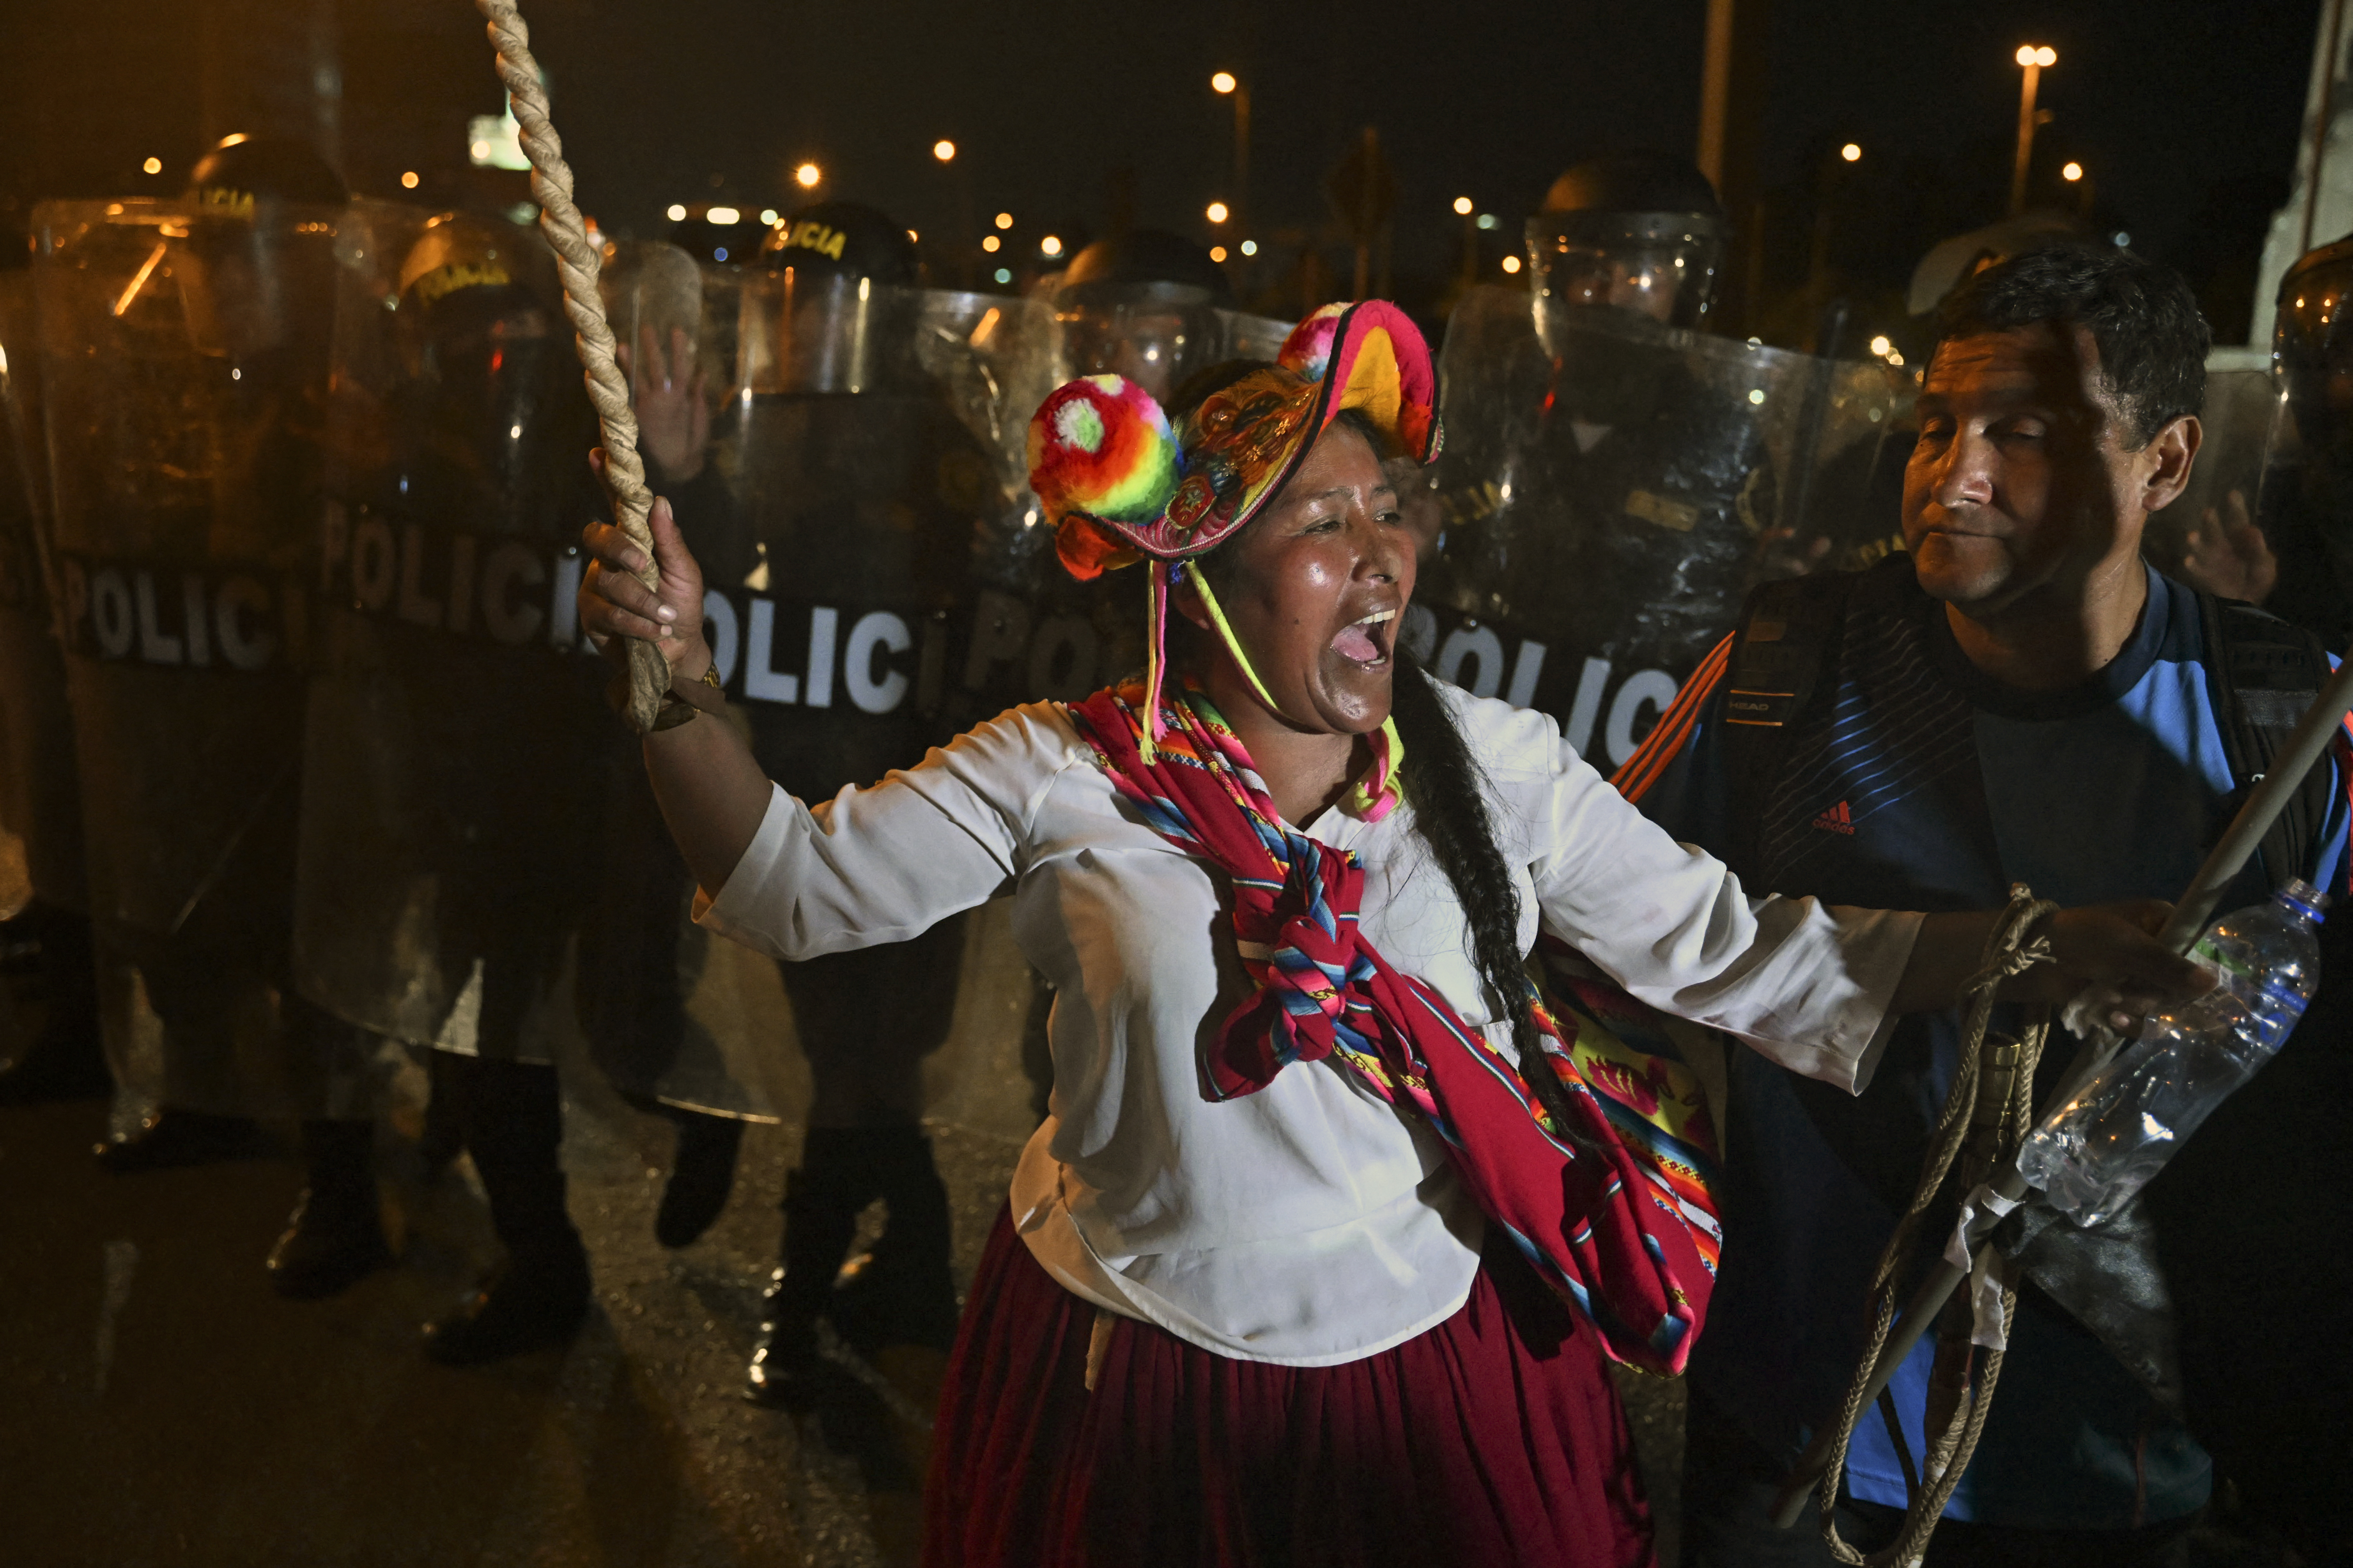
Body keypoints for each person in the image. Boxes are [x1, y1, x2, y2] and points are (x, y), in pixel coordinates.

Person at [576, 298, 2204, 1564]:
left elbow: (1752, 956)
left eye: (1392, 515)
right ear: (1198, 569)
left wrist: (2020, 947)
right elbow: (789, 886)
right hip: (1132, 1369)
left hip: (1434, 1375)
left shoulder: (1494, 769)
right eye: (1322, 527)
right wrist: (676, 682)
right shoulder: (1058, 773)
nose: (1383, 565)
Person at [1613, 244, 2353, 1564]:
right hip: (1798, 1441)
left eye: (2023, 434)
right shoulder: (1792, 668)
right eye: (1938, 425)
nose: (1953, 476)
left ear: (2166, 464)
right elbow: (1592, 928)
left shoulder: (2286, 725)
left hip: (2107, 1470)